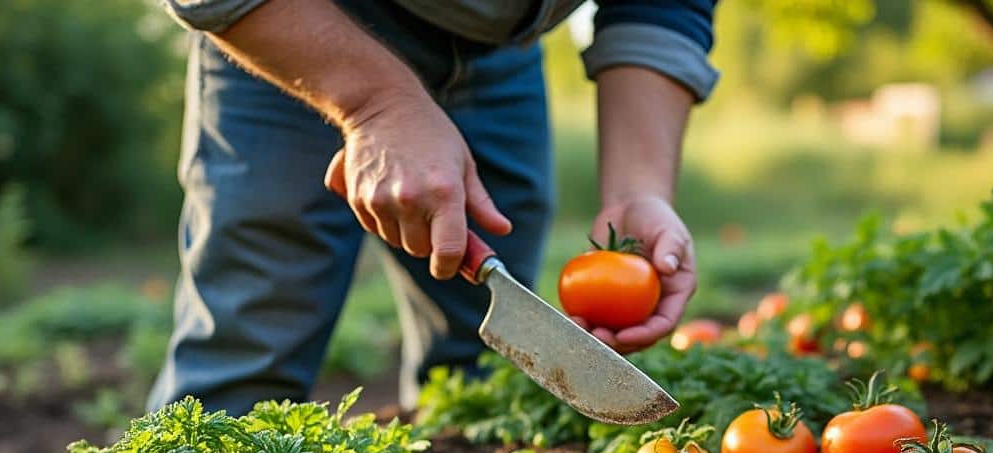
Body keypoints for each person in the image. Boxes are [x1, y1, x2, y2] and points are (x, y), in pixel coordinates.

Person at [151, 0, 718, 415]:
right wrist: (375, 104)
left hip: (501, 52)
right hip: (296, 30)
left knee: (475, 391)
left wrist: (637, 191)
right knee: (241, 371)